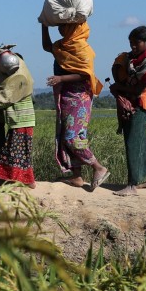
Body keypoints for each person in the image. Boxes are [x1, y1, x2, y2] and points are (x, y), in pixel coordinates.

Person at [41, 20, 109, 191]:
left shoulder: (82, 49)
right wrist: (44, 25)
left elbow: (86, 75)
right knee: (66, 135)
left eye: (64, 26)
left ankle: (98, 167)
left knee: (73, 137)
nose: (60, 29)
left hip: (80, 96)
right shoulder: (62, 45)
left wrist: (61, 78)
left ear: (73, 28)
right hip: (66, 95)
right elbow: (47, 46)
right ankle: (77, 175)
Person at [108, 26, 146, 196]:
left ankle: (132, 184)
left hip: (139, 105)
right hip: (132, 105)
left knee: (132, 143)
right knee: (141, 143)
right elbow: (120, 69)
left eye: (136, 43)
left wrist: (119, 87)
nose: (133, 46)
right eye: (131, 43)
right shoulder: (132, 59)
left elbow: (138, 89)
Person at [0, 51, 36, 188]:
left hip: (21, 122)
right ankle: (28, 181)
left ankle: (14, 182)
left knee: (13, 153)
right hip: (22, 122)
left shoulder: (17, 84)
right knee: (20, 153)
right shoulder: (23, 80)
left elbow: (2, 102)